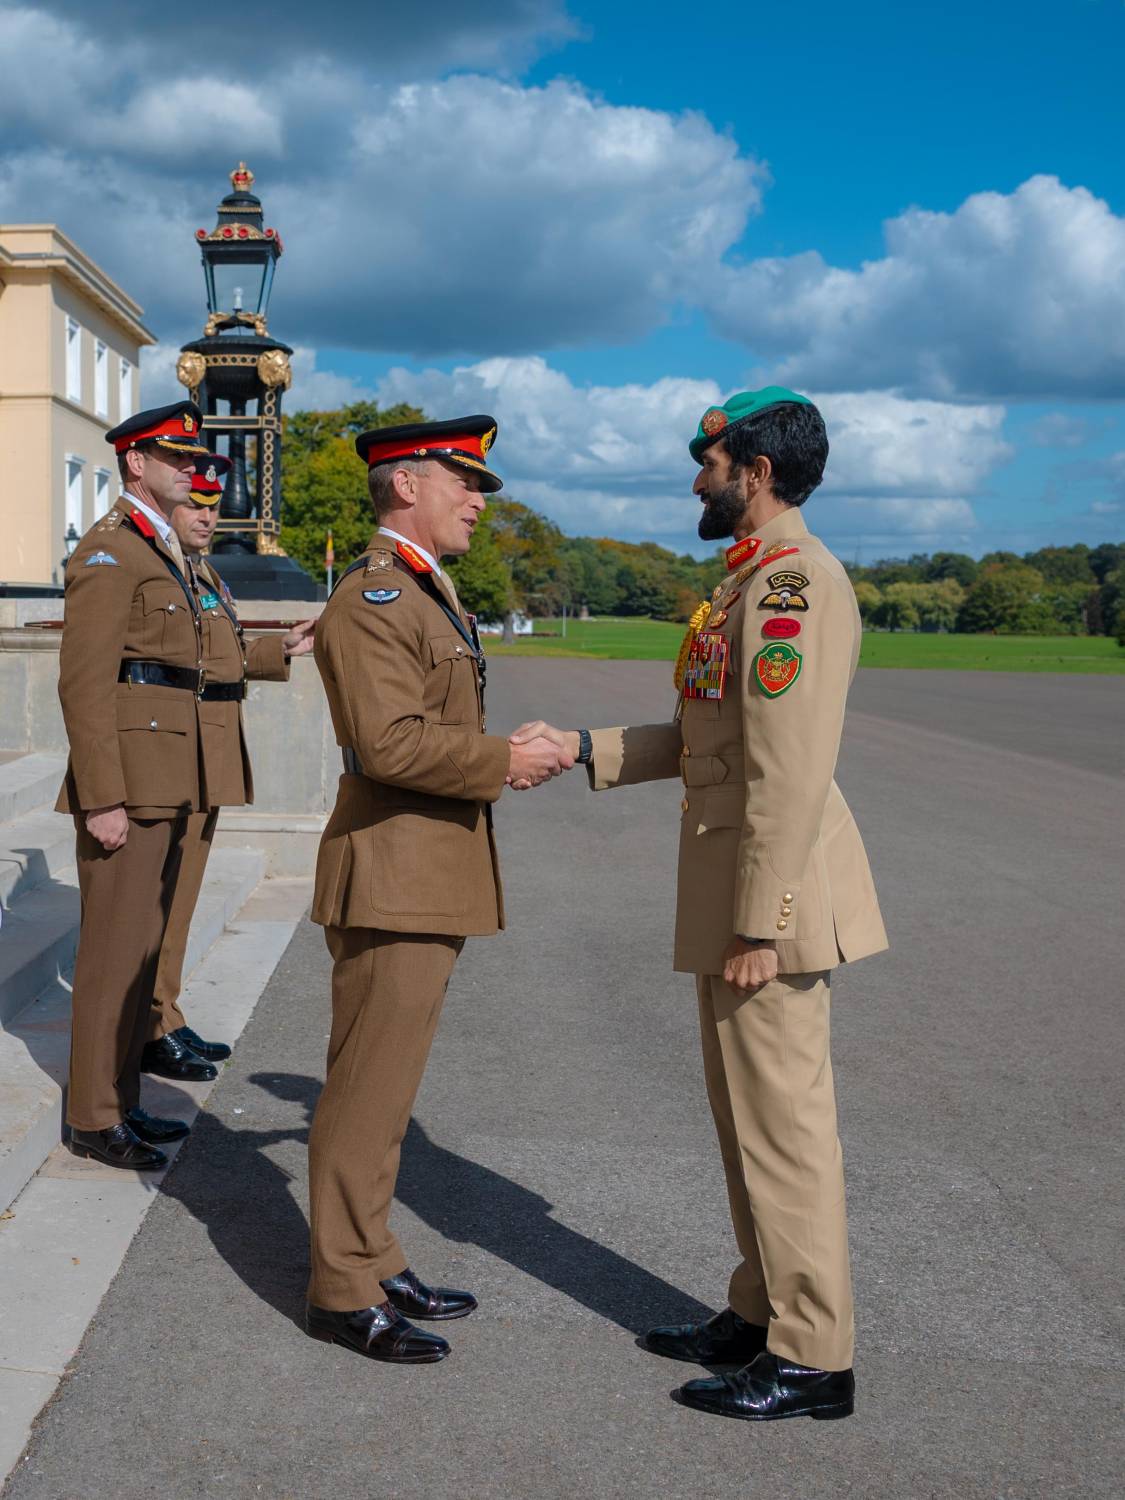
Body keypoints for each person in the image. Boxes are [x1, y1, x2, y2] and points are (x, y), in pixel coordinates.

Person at [512, 388, 888, 1421]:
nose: (697, 479)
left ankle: (814, 1357)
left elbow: (791, 773)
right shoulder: (749, 584)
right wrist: (581, 748)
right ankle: (761, 1311)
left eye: (709, 462)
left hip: (770, 906)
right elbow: (711, 741)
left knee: (785, 1131)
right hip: (743, 900)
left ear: (755, 472)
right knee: (746, 1124)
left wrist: (758, 926)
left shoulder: (793, 590)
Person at [305, 415, 569, 1365]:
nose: (477, 501)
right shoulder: (378, 595)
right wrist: (507, 758)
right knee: (366, 1091)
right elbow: (390, 744)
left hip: (420, 872)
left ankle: (374, 1254)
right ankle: (340, 1286)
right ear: (407, 484)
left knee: (391, 1088)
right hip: (393, 873)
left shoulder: (421, 590)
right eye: (464, 483)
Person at [56, 400, 213, 1170]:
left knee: (142, 955)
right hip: (128, 784)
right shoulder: (110, 551)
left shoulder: (160, 549)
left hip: (166, 777)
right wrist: (102, 796)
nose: (191, 470)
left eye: (193, 461)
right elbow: (84, 686)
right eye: (177, 459)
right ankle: (92, 1116)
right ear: (135, 464)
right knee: (113, 957)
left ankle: (123, 1101)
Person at [140, 453, 316, 1085]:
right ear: (168, 504)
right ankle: (151, 1024)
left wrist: (284, 648)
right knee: (162, 898)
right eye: (196, 507)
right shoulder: (164, 571)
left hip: (210, 750)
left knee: (182, 899)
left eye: (215, 509)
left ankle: (166, 1014)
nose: (208, 519)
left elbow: (224, 651)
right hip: (179, 750)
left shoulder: (202, 571)